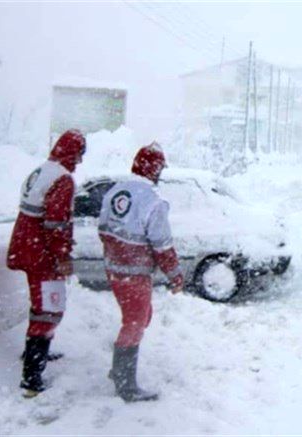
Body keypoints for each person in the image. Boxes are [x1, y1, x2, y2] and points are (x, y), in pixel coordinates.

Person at [98, 142, 183, 402]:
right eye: (159, 169)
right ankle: (125, 383)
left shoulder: (115, 190)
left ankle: (119, 370)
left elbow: (103, 228)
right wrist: (175, 275)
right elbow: (163, 244)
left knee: (142, 317)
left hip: (114, 270)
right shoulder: (153, 202)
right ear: (154, 169)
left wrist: (116, 254)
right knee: (134, 323)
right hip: (134, 274)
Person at [6, 129, 86, 398]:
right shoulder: (63, 179)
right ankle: (32, 377)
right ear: (72, 153)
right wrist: (62, 256)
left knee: (41, 304)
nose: (80, 161)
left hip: (26, 245)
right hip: (42, 252)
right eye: (80, 154)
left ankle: (36, 352)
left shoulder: (42, 170)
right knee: (49, 307)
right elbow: (56, 224)